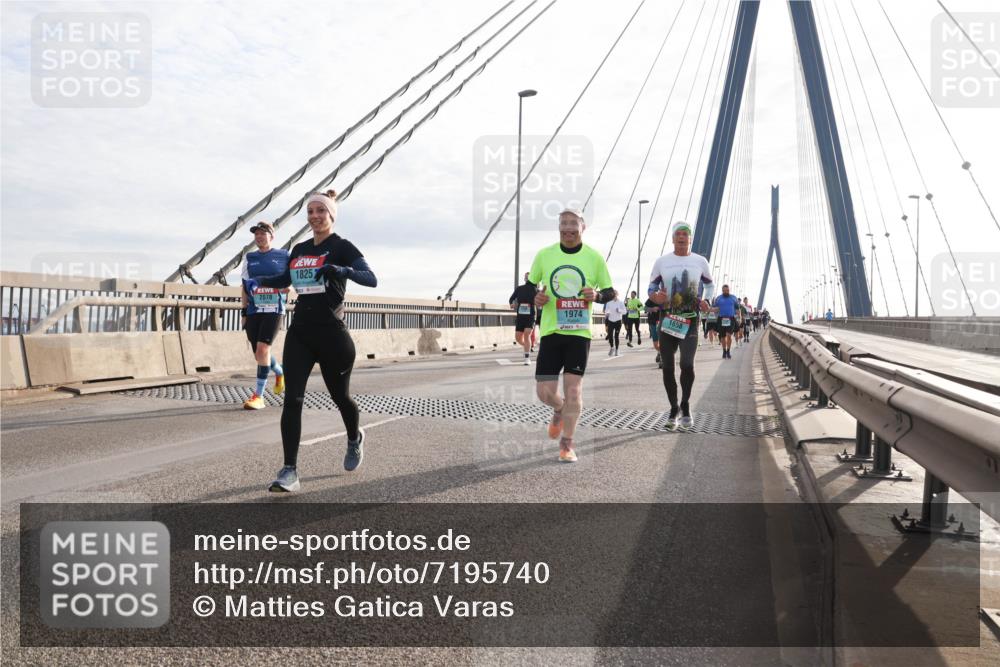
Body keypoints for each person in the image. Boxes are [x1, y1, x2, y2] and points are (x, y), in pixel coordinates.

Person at [246, 190, 377, 493]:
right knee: (292, 399)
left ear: (331, 215)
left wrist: (342, 270)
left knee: (340, 397)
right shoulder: (300, 248)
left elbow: (371, 278)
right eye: (310, 212)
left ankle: (354, 438)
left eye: (321, 210)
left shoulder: (342, 246)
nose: (315, 216)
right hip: (301, 333)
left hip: (332, 334)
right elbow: (285, 280)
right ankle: (289, 470)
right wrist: (261, 282)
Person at [529, 207, 614, 462]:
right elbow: (531, 288)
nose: (568, 229)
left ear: (582, 228)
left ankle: (567, 443)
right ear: (559, 228)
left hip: (578, 333)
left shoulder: (594, 258)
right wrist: (537, 298)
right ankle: (559, 408)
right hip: (552, 331)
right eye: (563, 224)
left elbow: (611, 293)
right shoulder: (544, 255)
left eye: (573, 225)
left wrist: (597, 296)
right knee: (544, 391)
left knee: (574, 390)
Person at [648, 221, 714, 430]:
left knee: (687, 365)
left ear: (691, 239)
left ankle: (685, 405)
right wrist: (654, 296)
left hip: (691, 320)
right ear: (673, 238)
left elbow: (710, 284)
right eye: (678, 234)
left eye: (686, 234)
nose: (682, 237)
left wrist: (708, 300)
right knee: (667, 368)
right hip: (668, 320)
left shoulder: (700, 261)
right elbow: (651, 286)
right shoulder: (662, 261)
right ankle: (673, 408)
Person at [240, 221, 289, 410]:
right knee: (260, 354)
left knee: (262, 350)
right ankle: (280, 371)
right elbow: (244, 287)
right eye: (256, 234)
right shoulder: (249, 257)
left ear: (272, 236)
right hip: (253, 310)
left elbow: (289, 281)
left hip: (274, 309)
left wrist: (288, 288)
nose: (259, 236)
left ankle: (259, 396)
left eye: (263, 233)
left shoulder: (284, 255)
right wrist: (244, 311)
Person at [509, 272, 537, 366]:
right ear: (524, 279)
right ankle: (528, 346)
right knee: (518, 338)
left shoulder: (536, 289)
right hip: (521, 316)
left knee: (527, 334)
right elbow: (511, 298)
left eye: (529, 277)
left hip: (531, 315)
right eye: (526, 277)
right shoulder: (519, 288)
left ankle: (527, 358)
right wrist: (512, 303)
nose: (527, 279)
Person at [713, 285, 740, 359]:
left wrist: (739, 318)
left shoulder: (734, 298)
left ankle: (728, 351)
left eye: (727, 290)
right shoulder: (718, 298)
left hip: (730, 319)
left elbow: (737, 309)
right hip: (721, 318)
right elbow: (715, 309)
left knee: (729, 335)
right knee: (722, 337)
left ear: (729, 290)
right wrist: (710, 311)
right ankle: (724, 351)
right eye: (724, 290)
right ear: (722, 291)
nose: (726, 292)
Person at [603, 290, 627, 356]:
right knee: (610, 335)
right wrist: (607, 314)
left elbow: (625, 312)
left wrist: (619, 310)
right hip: (611, 321)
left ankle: (617, 350)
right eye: (613, 294)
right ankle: (612, 347)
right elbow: (606, 311)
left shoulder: (621, 303)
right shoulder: (609, 303)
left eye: (615, 294)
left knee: (616, 336)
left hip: (618, 321)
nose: (614, 295)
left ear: (617, 294)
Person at [645, 297, 662, 369]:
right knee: (655, 344)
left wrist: (660, 308)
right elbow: (645, 308)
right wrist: (652, 309)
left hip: (663, 321)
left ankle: (662, 358)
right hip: (653, 322)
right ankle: (659, 352)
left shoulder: (666, 297)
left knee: (663, 341)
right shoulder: (651, 298)